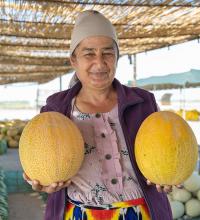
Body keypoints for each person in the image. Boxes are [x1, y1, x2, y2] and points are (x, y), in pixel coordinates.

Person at [23, 10, 179, 220]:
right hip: (78, 214)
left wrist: (169, 175)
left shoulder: (143, 102)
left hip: (142, 212)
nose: (99, 62)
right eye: (89, 54)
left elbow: (166, 150)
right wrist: (43, 182)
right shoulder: (56, 108)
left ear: (116, 57)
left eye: (107, 53)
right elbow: (41, 158)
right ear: (73, 60)